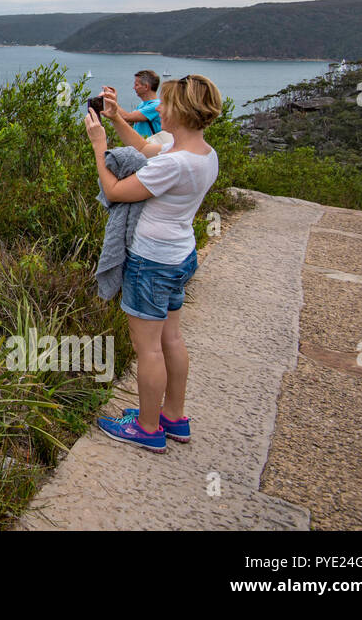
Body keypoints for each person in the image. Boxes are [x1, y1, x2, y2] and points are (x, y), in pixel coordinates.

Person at [83, 75, 223, 454]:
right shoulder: (203, 155)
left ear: (182, 111)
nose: (158, 108)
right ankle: (173, 417)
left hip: (150, 261)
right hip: (179, 255)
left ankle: (146, 428)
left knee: (148, 349)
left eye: (166, 104)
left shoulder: (174, 164)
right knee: (171, 339)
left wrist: (99, 148)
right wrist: (115, 119)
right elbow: (147, 147)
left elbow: (114, 191)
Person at [119, 70, 162, 138]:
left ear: (146, 87)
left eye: (136, 85)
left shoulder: (156, 106)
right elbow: (127, 120)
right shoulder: (143, 104)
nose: (134, 87)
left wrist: (111, 100)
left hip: (150, 146)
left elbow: (126, 117)